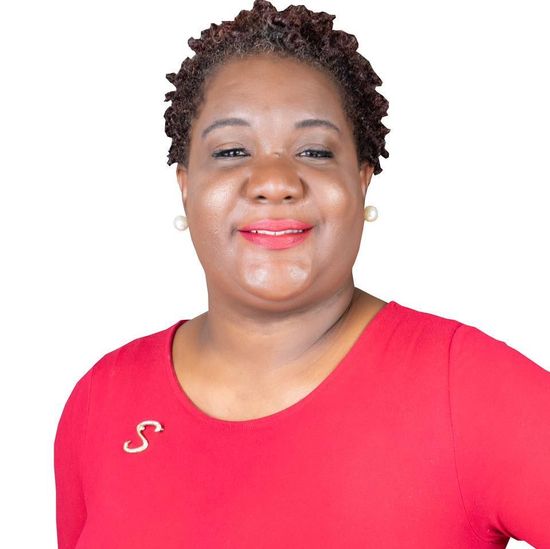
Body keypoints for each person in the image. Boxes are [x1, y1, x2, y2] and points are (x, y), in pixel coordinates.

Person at [53, 1, 550, 547]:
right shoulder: (101, 402)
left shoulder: (467, 389)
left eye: (314, 150)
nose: (274, 181)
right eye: (232, 150)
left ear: (361, 183)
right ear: (186, 185)